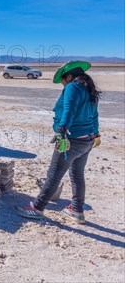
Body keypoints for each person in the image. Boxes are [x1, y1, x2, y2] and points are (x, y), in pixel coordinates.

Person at [16, 61, 100, 224]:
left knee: (54, 175)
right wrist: (96, 135)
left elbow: (69, 109)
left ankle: (37, 208)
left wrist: (62, 130)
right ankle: (76, 210)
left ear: (69, 76)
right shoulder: (90, 90)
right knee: (77, 175)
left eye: (62, 81)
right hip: (87, 140)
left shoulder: (72, 87)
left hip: (72, 139)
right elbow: (94, 115)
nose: (63, 85)